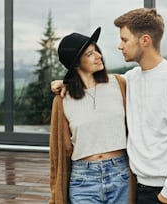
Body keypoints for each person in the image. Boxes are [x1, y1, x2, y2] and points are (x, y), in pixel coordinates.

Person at [51, 8, 167, 204]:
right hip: (141, 187)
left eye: (124, 40)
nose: (119, 46)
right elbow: (94, 85)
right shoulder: (131, 79)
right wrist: (65, 82)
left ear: (145, 40)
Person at [49, 27, 135, 204]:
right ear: (75, 63)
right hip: (83, 180)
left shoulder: (119, 84)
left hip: (120, 174)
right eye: (90, 54)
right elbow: (61, 150)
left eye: (97, 50)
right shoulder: (63, 99)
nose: (98, 56)